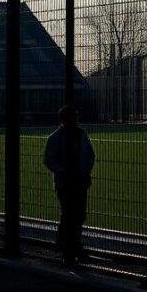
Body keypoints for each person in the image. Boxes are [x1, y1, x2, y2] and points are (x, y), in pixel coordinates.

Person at [43, 105, 96, 266]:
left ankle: (68, 245)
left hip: (75, 180)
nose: (76, 119)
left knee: (76, 215)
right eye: (73, 116)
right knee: (70, 214)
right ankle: (70, 247)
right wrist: (66, 171)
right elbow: (49, 160)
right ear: (65, 119)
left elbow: (90, 156)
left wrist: (82, 171)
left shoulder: (73, 135)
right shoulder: (60, 137)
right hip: (68, 181)